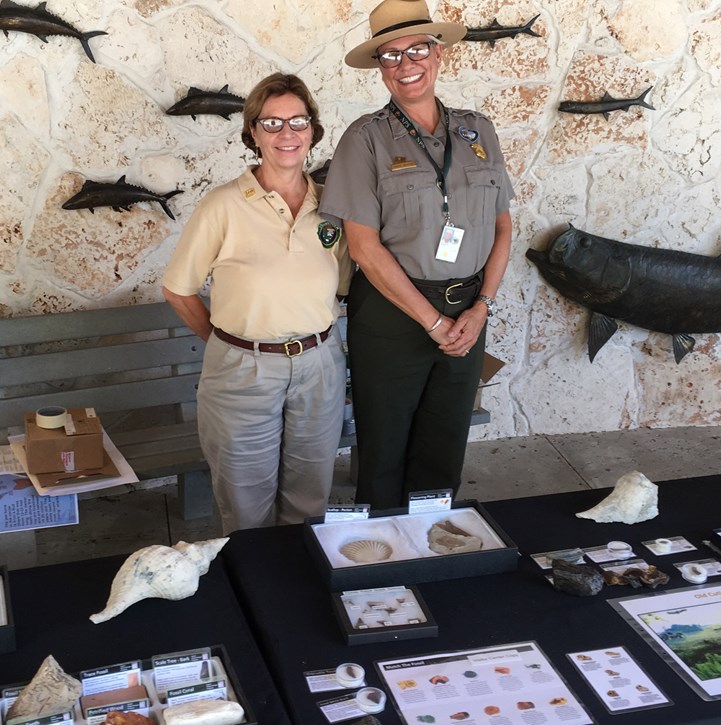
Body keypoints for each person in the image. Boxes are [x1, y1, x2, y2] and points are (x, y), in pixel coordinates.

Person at [320, 0, 514, 509]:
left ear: (438, 53)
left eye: (417, 50)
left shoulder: (478, 130)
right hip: (392, 315)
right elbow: (363, 246)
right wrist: (431, 322)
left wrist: (481, 307)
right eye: (390, 55)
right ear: (380, 67)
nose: (406, 65)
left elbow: (502, 225)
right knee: (384, 451)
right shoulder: (364, 140)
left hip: (469, 310)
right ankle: (381, 560)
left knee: (444, 446)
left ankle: (431, 545)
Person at [163, 73, 350, 533]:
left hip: (319, 365)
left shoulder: (331, 207)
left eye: (298, 121)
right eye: (272, 123)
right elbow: (178, 288)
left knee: (310, 498)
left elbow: (341, 285)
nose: (287, 134)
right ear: (252, 133)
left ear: (312, 129)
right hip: (243, 372)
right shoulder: (222, 206)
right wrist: (228, 344)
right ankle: (256, 593)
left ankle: (300, 589)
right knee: (246, 504)